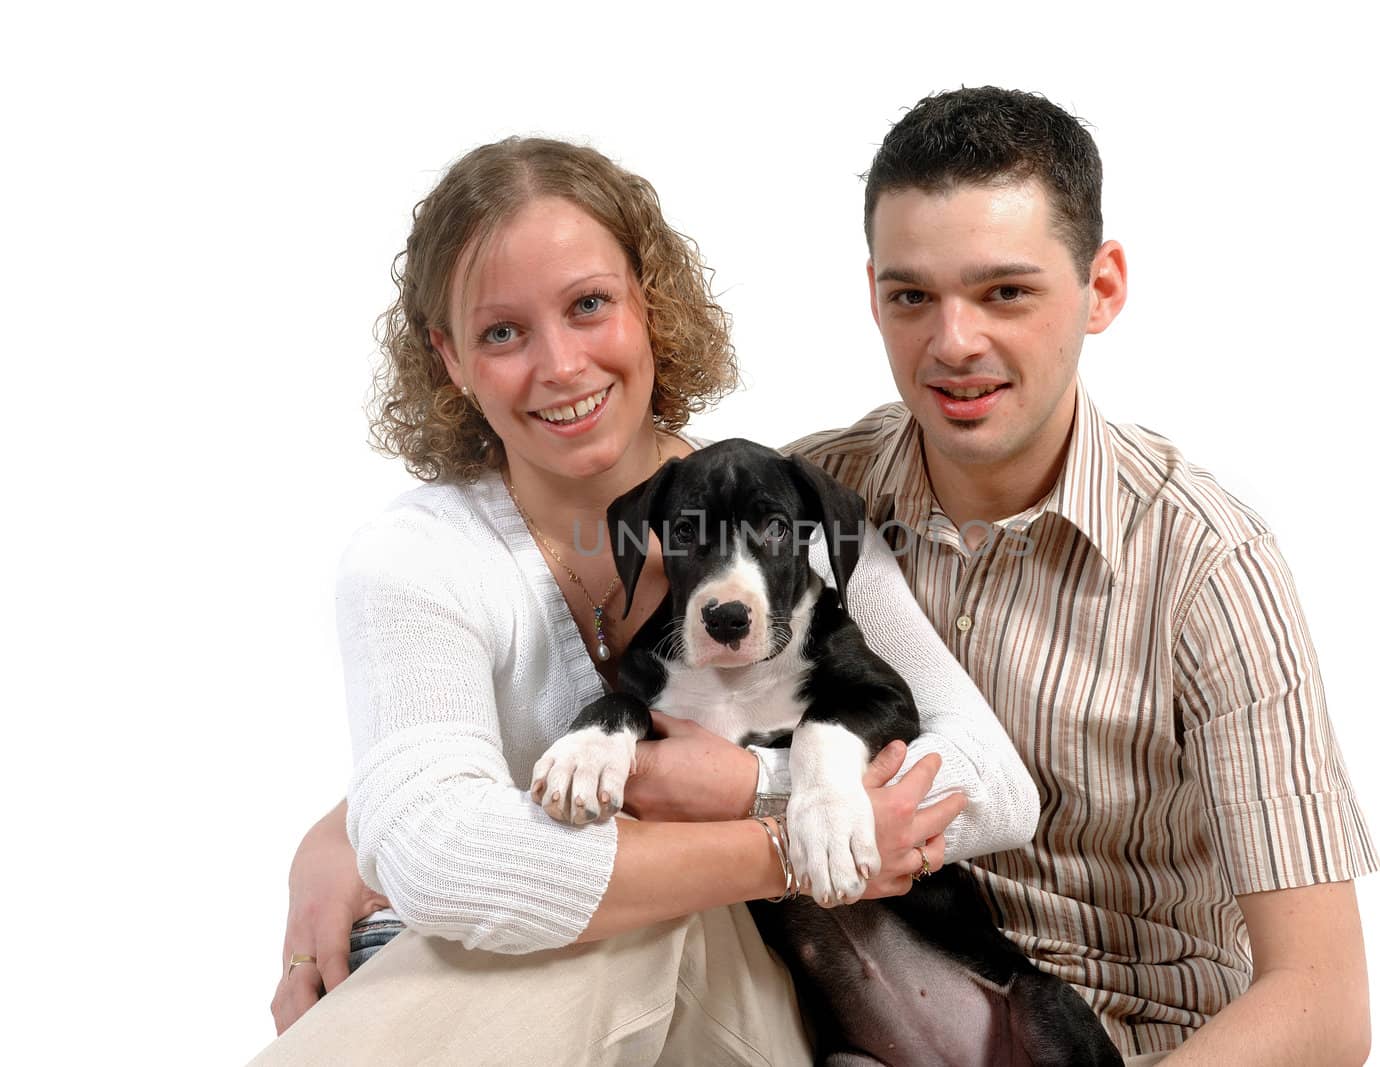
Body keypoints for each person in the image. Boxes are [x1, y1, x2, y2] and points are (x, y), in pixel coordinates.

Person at [274, 88, 1380, 1066]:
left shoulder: (1204, 563)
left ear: (1101, 288)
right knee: (621, 929)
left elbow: (1323, 1002)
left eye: (1004, 292)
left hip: (1104, 1032)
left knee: (615, 921)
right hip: (818, 1011)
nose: (954, 342)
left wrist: (752, 800)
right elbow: (476, 793)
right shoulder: (807, 488)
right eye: (912, 296)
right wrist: (362, 820)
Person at [253, 135, 1042, 1064]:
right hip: (573, 1011)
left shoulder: (782, 516)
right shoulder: (414, 557)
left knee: (617, 910)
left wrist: (751, 791)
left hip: (773, 1002)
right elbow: (438, 852)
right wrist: (783, 843)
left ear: (650, 307)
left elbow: (993, 785)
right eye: (501, 332)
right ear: (449, 358)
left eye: (588, 305)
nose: (559, 364)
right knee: (585, 907)